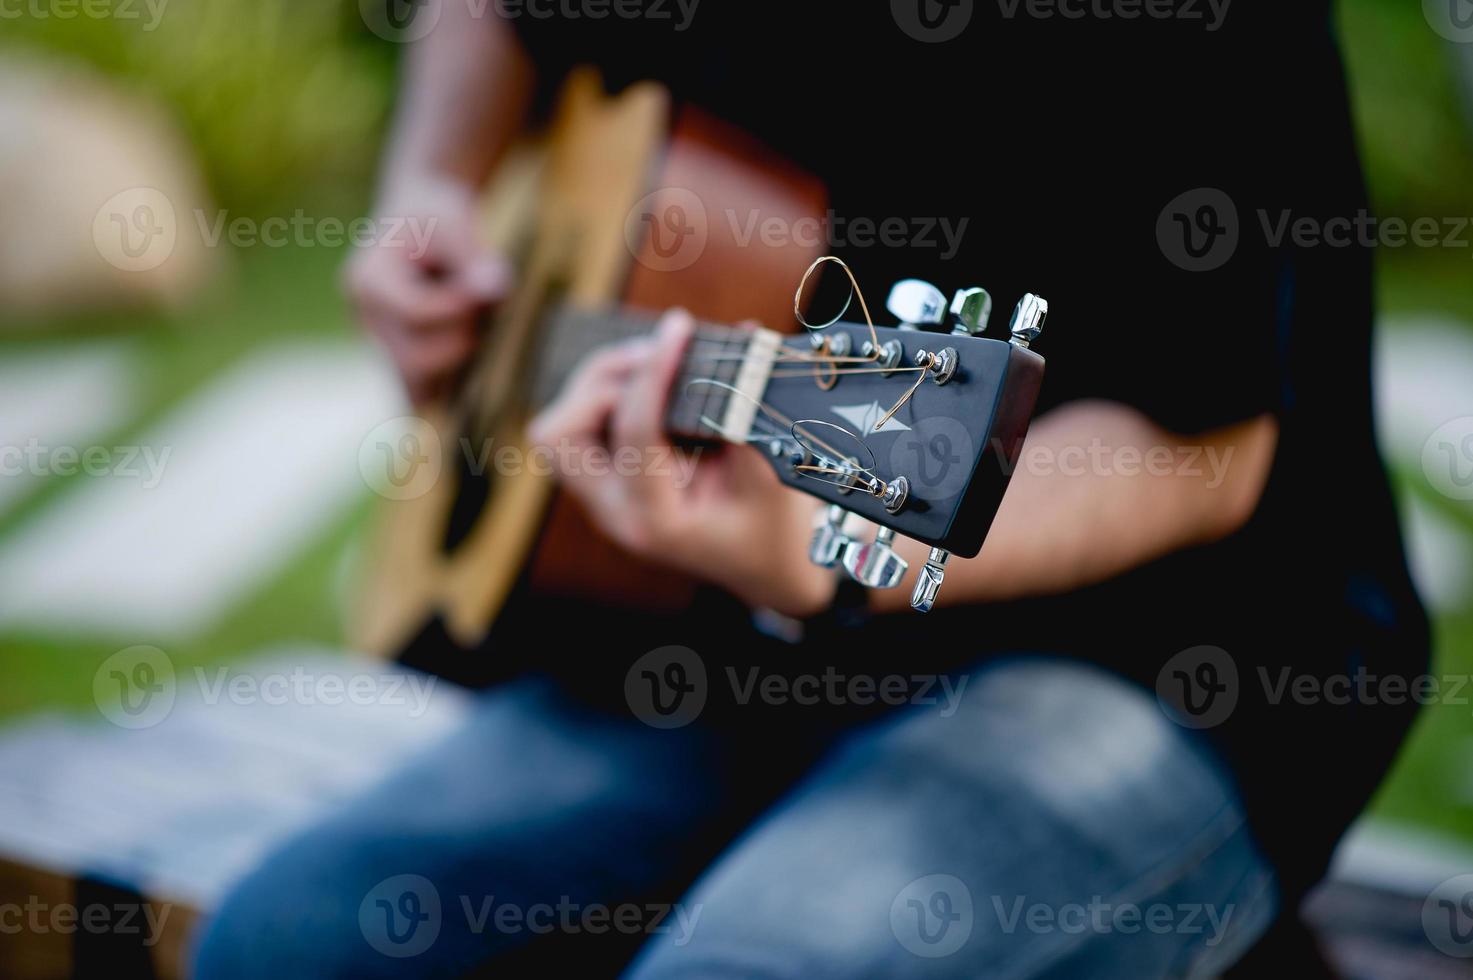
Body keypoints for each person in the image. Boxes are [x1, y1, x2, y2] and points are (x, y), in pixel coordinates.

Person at [193, 3, 1428, 976]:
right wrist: (434, 189)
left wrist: (839, 547)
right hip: (706, 631)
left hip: (1160, 657)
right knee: (283, 939)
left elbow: (1198, 454)